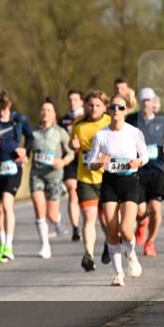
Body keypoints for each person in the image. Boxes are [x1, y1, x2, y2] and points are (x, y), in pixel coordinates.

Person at [87, 95, 148, 286]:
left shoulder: (134, 132)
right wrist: (99, 163)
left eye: (120, 107)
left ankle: (131, 255)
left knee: (126, 230)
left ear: (126, 110)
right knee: (112, 231)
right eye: (113, 107)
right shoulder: (101, 134)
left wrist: (138, 161)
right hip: (110, 182)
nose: (116, 111)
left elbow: (145, 155)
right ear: (108, 110)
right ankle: (118, 273)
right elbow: (90, 162)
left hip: (130, 181)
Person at [0, 89, 33, 263]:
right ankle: (2, 242)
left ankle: (9, 246)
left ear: (9, 105)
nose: (1, 112)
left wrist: (25, 151)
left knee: (7, 204)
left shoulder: (18, 120)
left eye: (4, 108)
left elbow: (30, 137)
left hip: (13, 167)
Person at [126, 89, 164, 257]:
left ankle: (150, 242)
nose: (147, 103)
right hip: (138, 171)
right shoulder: (132, 120)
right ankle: (141, 224)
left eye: (149, 100)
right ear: (140, 102)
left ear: (153, 102)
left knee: (155, 208)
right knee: (140, 211)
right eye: (144, 100)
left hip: (156, 170)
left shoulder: (162, 120)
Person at [71, 90, 111, 271]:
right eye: (90, 105)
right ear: (86, 106)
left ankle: (109, 242)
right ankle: (88, 254)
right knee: (89, 217)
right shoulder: (78, 124)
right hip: (85, 178)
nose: (93, 108)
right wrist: (73, 146)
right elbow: (73, 146)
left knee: (106, 220)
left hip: (107, 178)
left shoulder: (110, 122)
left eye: (97, 105)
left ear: (104, 107)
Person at [30, 98, 74, 259]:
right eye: (43, 110)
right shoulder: (33, 133)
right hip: (37, 175)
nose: (45, 113)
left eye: (49, 110)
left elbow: (70, 152)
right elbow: (26, 151)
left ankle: (58, 220)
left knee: (52, 215)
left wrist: (63, 161)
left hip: (55, 176)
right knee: (39, 208)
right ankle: (45, 245)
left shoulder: (60, 132)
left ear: (54, 114)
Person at [60, 89, 85, 241]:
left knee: (86, 195)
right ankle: (75, 228)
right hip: (69, 159)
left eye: (75, 99)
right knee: (72, 190)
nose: (72, 102)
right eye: (70, 100)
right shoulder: (63, 121)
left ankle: (88, 219)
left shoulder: (88, 117)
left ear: (81, 101)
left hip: (86, 159)